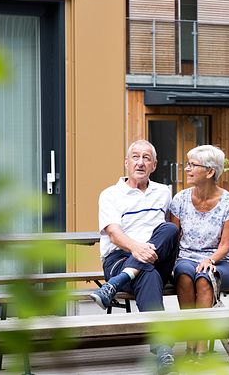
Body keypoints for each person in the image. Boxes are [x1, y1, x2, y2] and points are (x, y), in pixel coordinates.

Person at [90, 139, 179, 374]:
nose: (140, 163)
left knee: (169, 229)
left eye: (146, 158)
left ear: (154, 165)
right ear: (126, 163)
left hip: (155, 259)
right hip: (119, 258)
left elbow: (168, 234)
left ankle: (114, 286)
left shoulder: (163, 192)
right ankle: (163, 350)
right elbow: (114, 233)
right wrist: (136, 249)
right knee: (147, 273)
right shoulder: (110, 194)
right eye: (136, 157)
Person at [169, 145, 229, 357]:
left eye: (193, 165)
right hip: (186, 259)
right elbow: (174, 238)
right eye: (187, 164)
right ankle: (190, 341)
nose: (187, 169)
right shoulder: (180, 199)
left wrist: (210, 260)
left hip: (221, 262)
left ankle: (201, 348)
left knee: (204, 278)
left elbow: (225, 246)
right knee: (183, 274)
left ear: (210, 172)